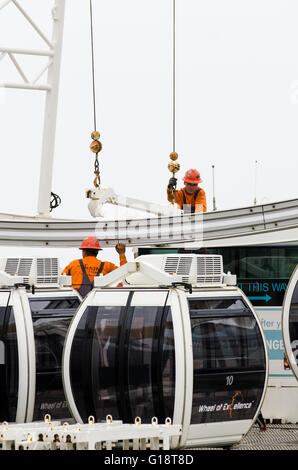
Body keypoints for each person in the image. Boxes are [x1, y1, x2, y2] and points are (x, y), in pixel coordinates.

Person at [61, 237, 127, 297]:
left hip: (77, 304)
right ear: (97, 252)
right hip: (97, 304)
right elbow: (124, 272)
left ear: (84, 252)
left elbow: (61, 279)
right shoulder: (107, 265)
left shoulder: (74, 264)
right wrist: (122, 254)